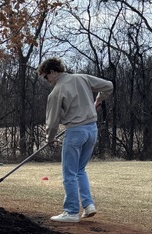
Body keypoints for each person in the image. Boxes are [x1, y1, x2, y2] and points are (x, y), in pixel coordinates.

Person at [39, 57, 113, 223]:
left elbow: (52, 123)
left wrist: (49, 139)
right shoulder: (82, 78)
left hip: (75, 132)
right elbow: (109, 86)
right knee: (80, 170)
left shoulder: (56, 91)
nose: (47, 81)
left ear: (53, 72)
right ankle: (88, 206)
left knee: (69, 173)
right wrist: (97, 101)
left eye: (46, 77)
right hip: (92, 130)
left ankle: (71, 212)